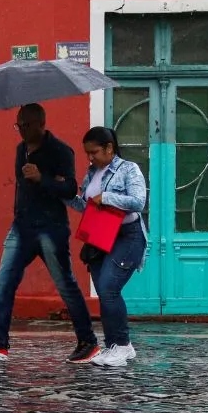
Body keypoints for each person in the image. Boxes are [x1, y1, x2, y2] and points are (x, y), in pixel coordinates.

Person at [0, 104, 99, 364]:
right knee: (5, 280)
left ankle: (88, 342)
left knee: (66, 286)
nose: (22, 131)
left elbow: (71, 188)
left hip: (51, 229)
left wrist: (43, 178)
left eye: (26, 126)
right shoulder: (21, 150)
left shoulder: (61, 151)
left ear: (41, 123)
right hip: (22, 227)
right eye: (18, 126)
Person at [66, 126, 148, 368]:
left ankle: (121, 345)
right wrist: (67, 194)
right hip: (101, 236)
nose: (90, 158)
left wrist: (108, 197)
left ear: (109, 148)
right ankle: (116, 345)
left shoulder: (128, 169)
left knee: (109, 287)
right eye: (87, 153)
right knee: (104, 291)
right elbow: (86, 206)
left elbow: (138, 201)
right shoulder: (92, 174)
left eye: (94, 152)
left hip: (128, 236)